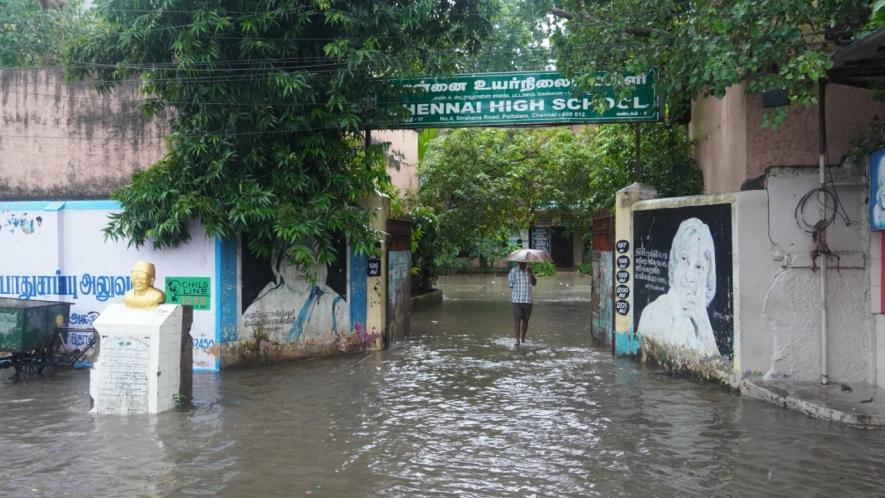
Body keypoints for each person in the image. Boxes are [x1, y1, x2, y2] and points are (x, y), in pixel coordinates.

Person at [636, 218, 720, 357]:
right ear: (675, 263)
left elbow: (718, 367)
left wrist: (703, 324)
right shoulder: (654, 313)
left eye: (699, 267)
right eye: (684, 259)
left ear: (707, 277)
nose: (689, 276)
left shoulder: (701, 319)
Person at [240, 247, 347, 344]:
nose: (301, 267)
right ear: (280, 266)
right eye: (293, 259)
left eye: (307, 259)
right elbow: (243, 338)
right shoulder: (263, 302)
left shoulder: (334, 305)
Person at [508, 261, 537, 346]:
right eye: (521, 263)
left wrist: (531, 274)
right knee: (517, 319)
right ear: (518, 262)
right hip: (517, 300)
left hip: (528, 300)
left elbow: (534, 283)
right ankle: (517, 340)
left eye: (524, 263)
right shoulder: (513, 271)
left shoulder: (530, 271)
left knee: (526, 320)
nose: (523, 264)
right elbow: (510, 284)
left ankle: (523, 339)